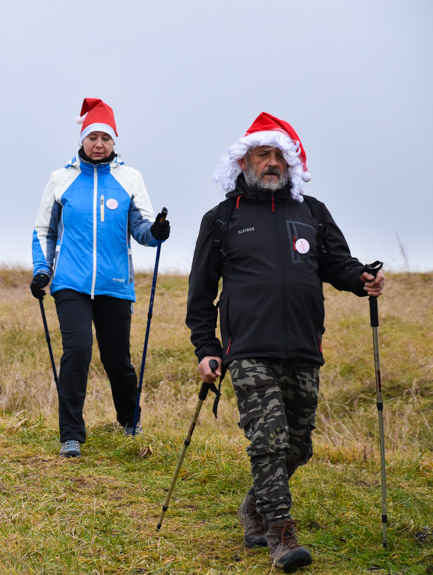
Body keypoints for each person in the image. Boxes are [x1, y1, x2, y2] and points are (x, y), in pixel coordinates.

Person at [186, 113, 385, 570]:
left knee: (299, 446)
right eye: (263, 154)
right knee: (269, 440)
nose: (272, 162)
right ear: (244, 162)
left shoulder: (312, 212)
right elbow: (200, 293)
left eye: (280, 155)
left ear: (290, 163)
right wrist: (207, 348)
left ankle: (254, 506)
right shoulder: (221, 219)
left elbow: (337, 264)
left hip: (303, 347)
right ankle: (281, 533)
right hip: (248, 349)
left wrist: (362, 278)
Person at [30, 98, 170, 458]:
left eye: (105, 138)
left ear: (114, 142)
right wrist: (42, 270)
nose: (98, 144)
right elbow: (45, 230)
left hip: (114, 285)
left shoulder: (130, 178)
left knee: (117, 360)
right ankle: (71, 436)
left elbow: (142, 229)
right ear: (82, 139)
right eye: (92, 137)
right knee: (77, 352)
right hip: (71, 283)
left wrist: (157, 231)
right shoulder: (61, 179)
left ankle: (129, 420)